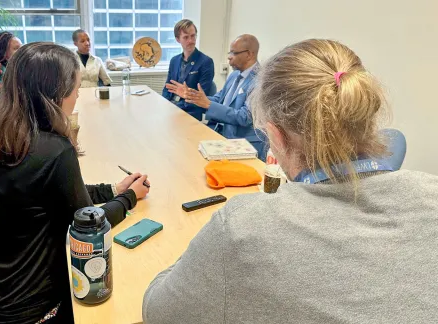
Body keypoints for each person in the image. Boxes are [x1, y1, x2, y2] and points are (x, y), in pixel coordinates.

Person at [143, 39, 438, 323]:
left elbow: (158, 311)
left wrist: (205, 254)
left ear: (277, 137)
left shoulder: (240, 230)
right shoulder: (430, 192)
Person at [0, 42, 150, 324]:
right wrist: (129, 198)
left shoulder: (2, 138)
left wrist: (114, 189)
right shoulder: (55, 150)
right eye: (75, 90)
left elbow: (55, 195)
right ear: (55, 94)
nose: (77, 96)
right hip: (31, 313)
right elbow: (89, 227)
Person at [171, 34, 268, 160]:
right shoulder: (234, 75)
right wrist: (193, 96)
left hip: (244, 143)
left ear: (249, 54)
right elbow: (219, 99)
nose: (229, 57)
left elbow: (244, 117)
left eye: (233, 53)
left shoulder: (260, 81)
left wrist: (208, 104)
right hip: (223, 134)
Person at [162, 19, 214, 121]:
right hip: (171, 108)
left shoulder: (206, 62)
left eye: (193, 36)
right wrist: (164, 103)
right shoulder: (174, 60)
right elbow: (167, 87)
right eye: (186, 37)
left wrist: (177, 106)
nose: (191, 41)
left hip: (190, 111)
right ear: (178, 39)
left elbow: (202, 96)